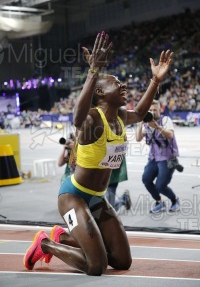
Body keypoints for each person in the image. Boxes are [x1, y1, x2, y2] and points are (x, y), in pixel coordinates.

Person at [23, 31, 173, 276]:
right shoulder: (94, 118)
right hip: (73, 197)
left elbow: (141, 111)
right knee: (97, 266)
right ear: (101, 93)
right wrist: (93, 71)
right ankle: (45, 243)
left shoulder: (121, 117)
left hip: (97, 198)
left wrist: (155, 81)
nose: (122, 84)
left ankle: (64, 236)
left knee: (122, 261)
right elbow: (77, 118)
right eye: (116, 83)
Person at [135, 99, 181, 213]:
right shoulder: (146, 123)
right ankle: (159, 202)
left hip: (168, 158)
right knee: (146, 179)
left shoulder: (165, 120)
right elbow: (138, 138)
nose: (152, 112)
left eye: (154, 110)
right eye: (150, 110)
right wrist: (140, 123)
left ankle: (175, 200)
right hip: (154, 157)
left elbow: (170, 135)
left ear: (160, 109)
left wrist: (157, 127)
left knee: (160, 186)